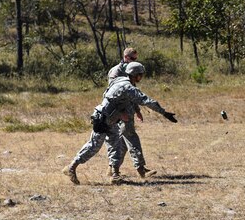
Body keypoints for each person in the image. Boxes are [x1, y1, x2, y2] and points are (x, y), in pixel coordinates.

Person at [62, 62, 178, 185]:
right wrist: (164, 113)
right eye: (140, 75)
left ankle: (115, 175)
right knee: (93, 146)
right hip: (102, 119)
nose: (141, 77)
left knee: (116, 146)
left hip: (111, 119)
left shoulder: (119, 80)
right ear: (135, 75)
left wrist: (119, 112)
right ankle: (71, 167)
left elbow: (110, 96)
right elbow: (147, 101)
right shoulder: (128, 87)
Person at [106, 47, 156, 178]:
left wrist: (137, 110)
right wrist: (120, 113)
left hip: (128, 111)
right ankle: (140, 169)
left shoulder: (132, 70)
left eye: (136, 59)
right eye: (133, 59)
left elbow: (132, 93)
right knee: (131, 138)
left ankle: (112, 168)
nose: (135, 61)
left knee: (123, 142)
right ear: (126, 57)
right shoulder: (116, 71)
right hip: (119, 112)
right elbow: (113, 95)